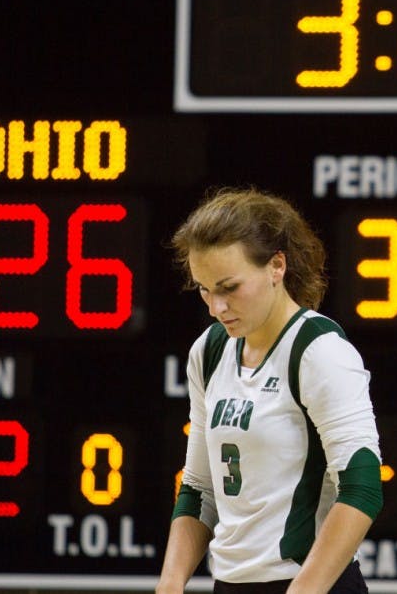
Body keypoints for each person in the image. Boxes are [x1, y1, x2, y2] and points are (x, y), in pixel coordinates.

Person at [157, 187, 383, 594]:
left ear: (277, 266)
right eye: (205, 289)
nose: (216, 307)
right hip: (229, 583)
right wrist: (170, 585)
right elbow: (198, 488)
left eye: (229, 287)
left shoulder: (320, 351)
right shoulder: (209, 351)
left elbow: (363, 489)